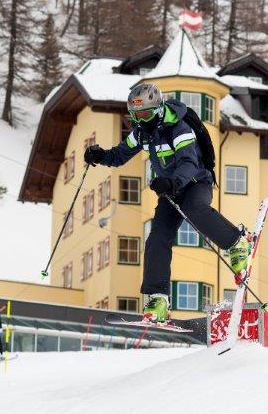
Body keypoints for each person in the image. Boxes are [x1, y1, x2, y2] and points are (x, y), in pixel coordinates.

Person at [84, 83, 252, 323]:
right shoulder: (142, 133)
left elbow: (188, 162)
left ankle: (237, 242)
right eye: (135, 115)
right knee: (157, 238)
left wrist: (173, 182)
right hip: (170, 191)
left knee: (195, 210)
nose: (140, 119)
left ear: (158, 108)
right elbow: (120, 155)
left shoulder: (179, 128)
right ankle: (158, 298)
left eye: (145, 113)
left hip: (195, 183)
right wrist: (101, 156)